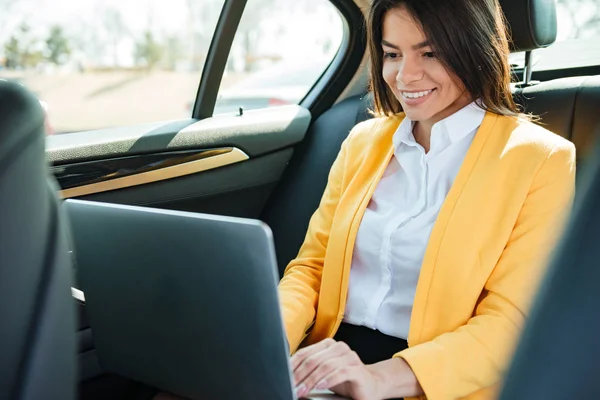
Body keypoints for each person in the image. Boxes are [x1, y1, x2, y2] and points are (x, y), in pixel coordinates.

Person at [279, 0, 576, 399]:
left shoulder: (541, 160)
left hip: (430, 379)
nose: (404, 75)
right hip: (328, 357)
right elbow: (311, 268)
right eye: (392, 54)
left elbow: (512, 321)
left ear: (472, 48)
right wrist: (266, 337)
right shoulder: (362, 143)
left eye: (430, 52)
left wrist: (378, 378)